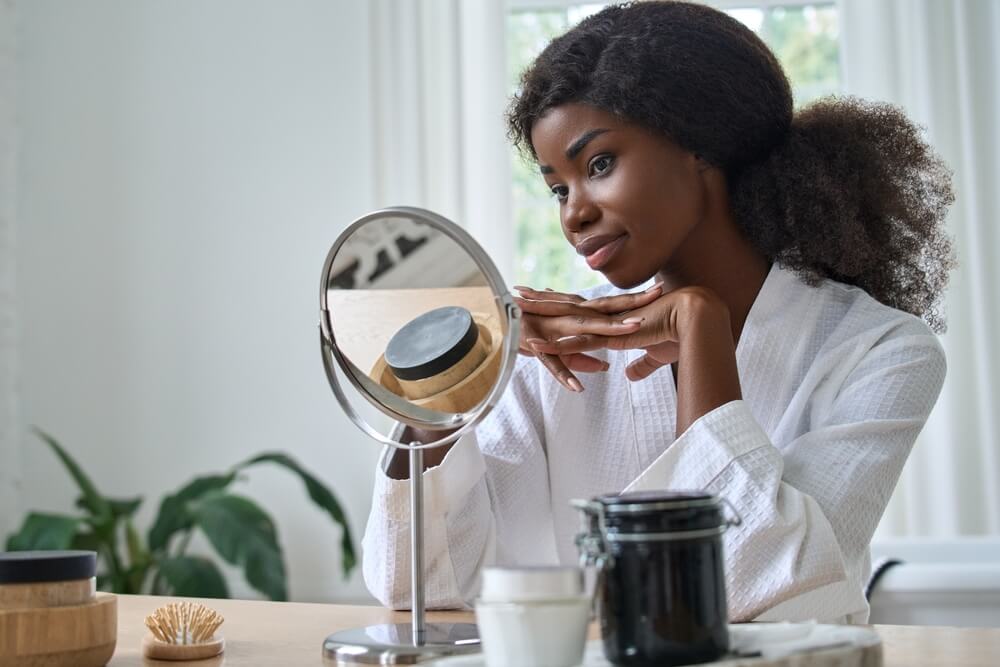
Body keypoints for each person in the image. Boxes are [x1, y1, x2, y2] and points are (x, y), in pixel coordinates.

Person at [362, 0, 954, 623]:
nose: (573, 214)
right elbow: (421, 589)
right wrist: (442, 403)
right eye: (558, 188)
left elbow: (754, 585)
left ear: (700, 144)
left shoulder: (882, 351)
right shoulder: (554, 359)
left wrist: (703, 335)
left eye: (599, 165)